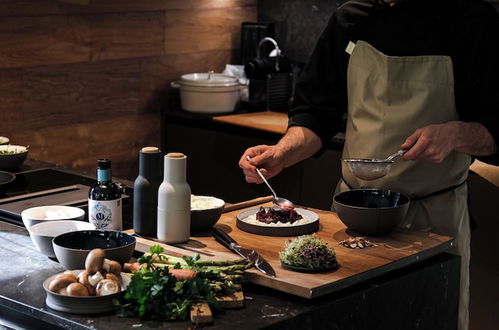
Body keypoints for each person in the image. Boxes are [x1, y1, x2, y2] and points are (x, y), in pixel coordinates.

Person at [239, 1, 499, 329]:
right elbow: (316, 113)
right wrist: (283, 152)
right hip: (352, 219)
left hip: (435, 218)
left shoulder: (474, 21)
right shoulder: (350, 19)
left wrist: (457, 134)